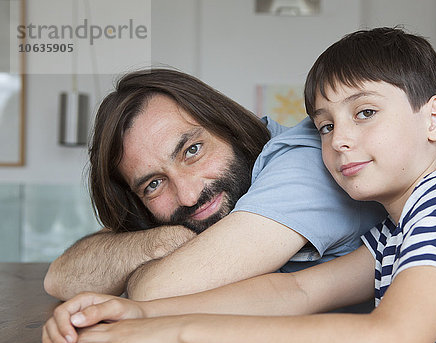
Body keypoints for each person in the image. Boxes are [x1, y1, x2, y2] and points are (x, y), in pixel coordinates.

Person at [42, 27, 436, 343]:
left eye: (366, 113)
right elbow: (294, 294)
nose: (341, 141)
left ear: (434, 119)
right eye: (326, 125)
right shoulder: (396, 233)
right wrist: (139, 317)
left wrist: (181, 333)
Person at [43, 68, 386, 301]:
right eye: (153, 184)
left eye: (192, 151)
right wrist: (165, 240)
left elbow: (155, 290)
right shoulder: (189, 214)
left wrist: (135, 272)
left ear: (228, 127)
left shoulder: (308, 162)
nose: (189, 194)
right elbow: (60, 277)